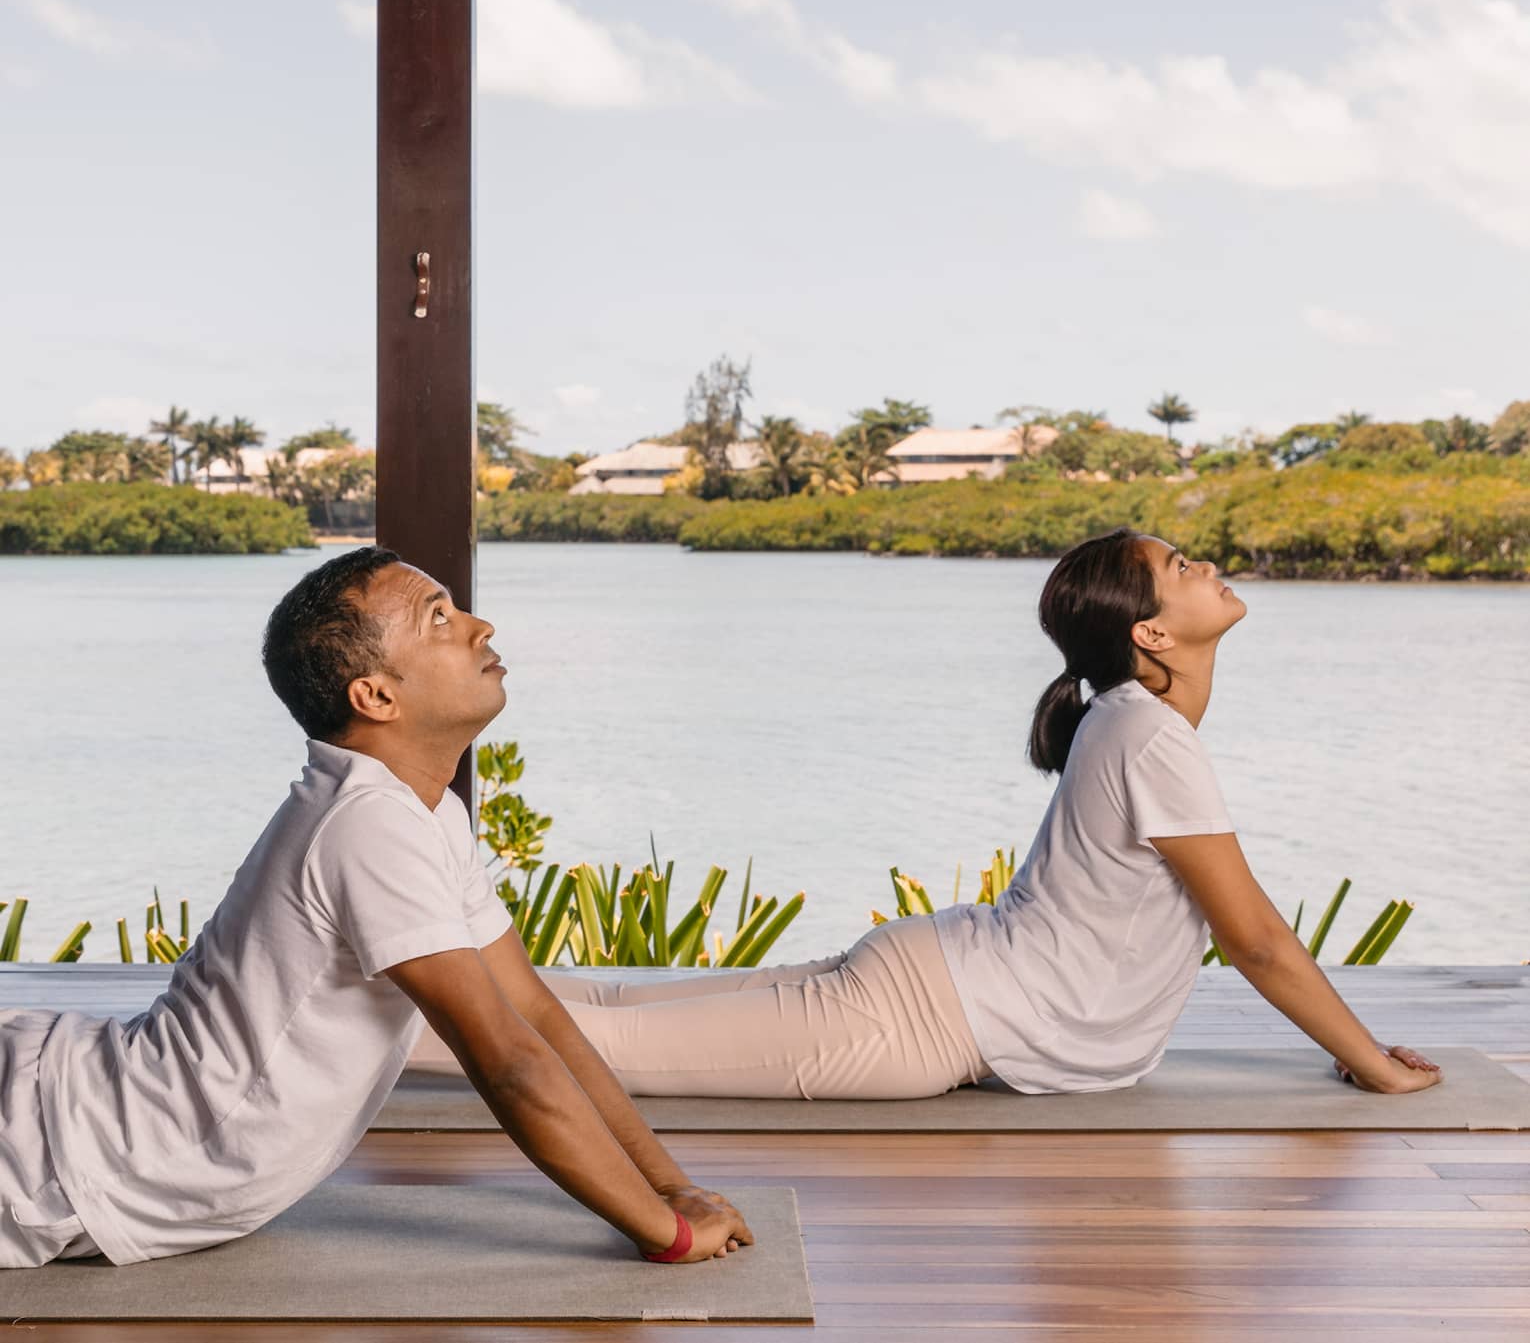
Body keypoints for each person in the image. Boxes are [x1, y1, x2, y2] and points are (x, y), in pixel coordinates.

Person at [0, 547, 751, 1271]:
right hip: (57, 1153)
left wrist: (668, 1184)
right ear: (377, 695)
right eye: (437, 618)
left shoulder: (420, 813)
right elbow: (506, 1061)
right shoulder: (367, 824)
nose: (479, 626)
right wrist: (668, 1234)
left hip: (71, 1118)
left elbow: (536, 1015)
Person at [537, 528, 1444, 1104]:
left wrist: (1356, 1048)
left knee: (613, 1010)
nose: (1203, 563)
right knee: (601, 1044)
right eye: (1179, 565)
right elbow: (1255, 940)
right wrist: (1367, 1059)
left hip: (938, 982)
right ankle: (400, 1019)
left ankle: (407, 995)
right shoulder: (1151, 736)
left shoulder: (1126, 721)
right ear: (1152, 635)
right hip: (931, 1014)